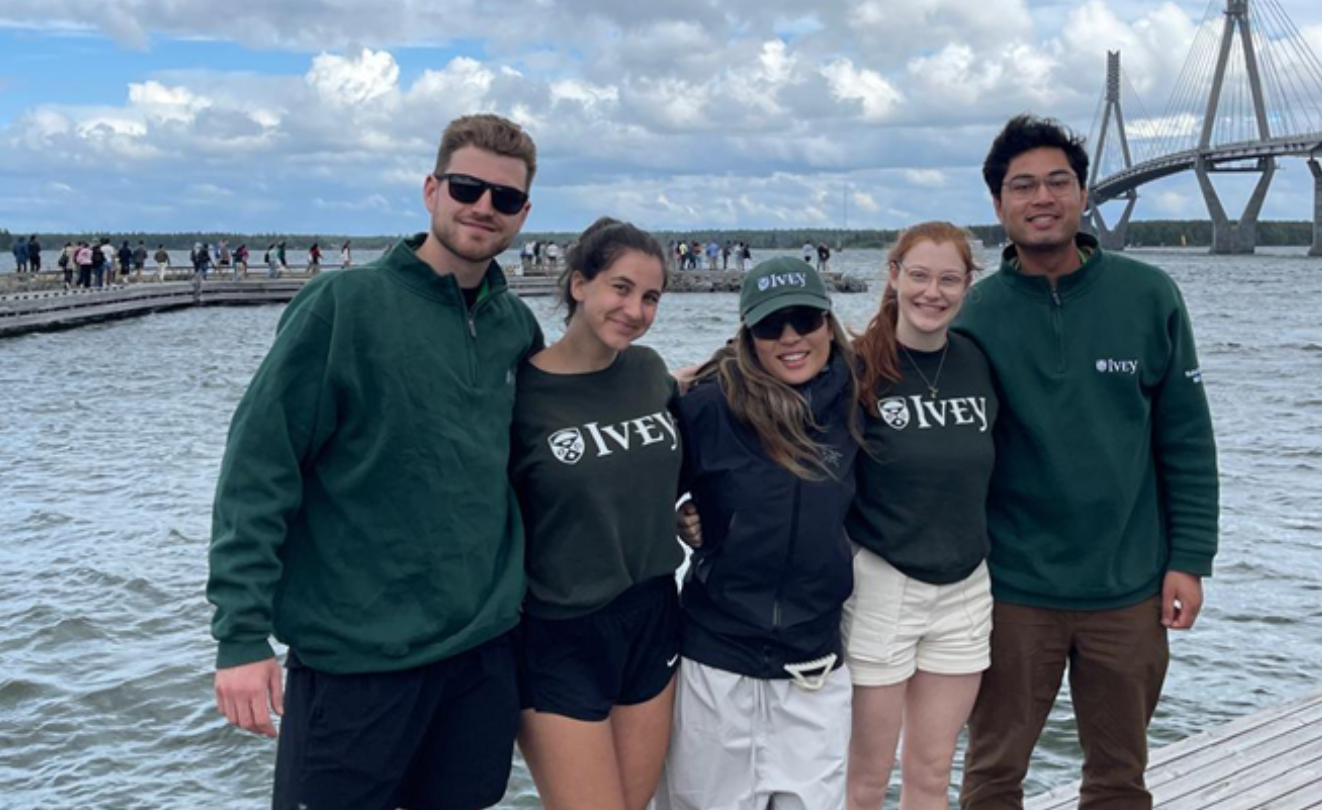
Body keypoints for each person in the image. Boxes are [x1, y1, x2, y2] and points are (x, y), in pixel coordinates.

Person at [208, 113, 541, 810]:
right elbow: (258, 470)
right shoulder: (342, 306)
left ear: (524, 213)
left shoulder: (516, 325)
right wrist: (241, 636)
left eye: (504, 198)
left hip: (481, 657)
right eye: (467, 187)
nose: (484, 206)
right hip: (356, 661)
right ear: (431, 189)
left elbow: (544, 454)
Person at [955, 114, 1219, 810]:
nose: (1041, 198)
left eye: (1058, 182)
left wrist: (1189, 560)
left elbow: (1187, 439)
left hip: (1128, 588)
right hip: (1012, 590)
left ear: (1083, 195)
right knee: (990, 776)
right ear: (998, 204)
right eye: (1023, 186)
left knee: (1118, 781)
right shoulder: (970, 314)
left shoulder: (1149, 296)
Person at [655, 257, 863, 810]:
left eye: (805, 320)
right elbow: (636, 488)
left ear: (828, 322)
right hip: (714, 664)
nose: (791, 338)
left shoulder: (858, 394)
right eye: (772, 326)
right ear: (747, 334)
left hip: (814, 669)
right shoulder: (702, 404)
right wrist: (677, 511)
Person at [511, 217, 682, 810]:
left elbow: (677, 471)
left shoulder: (649, 372)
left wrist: (691, 514)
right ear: (579, 284)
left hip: (653, 613)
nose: (635, 309)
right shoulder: (521, 395)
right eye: (621, 287)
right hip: (558, 630)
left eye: (651, 297)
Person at [842, 222, 995, 810]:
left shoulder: (977, 361)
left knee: (931, 773)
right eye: (920, 276)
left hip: (966, 588)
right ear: (894, 277)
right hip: (883, 582)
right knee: (867, 779)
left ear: (966, 287)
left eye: (949, 280)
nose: (933, 293)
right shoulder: (857, 366)